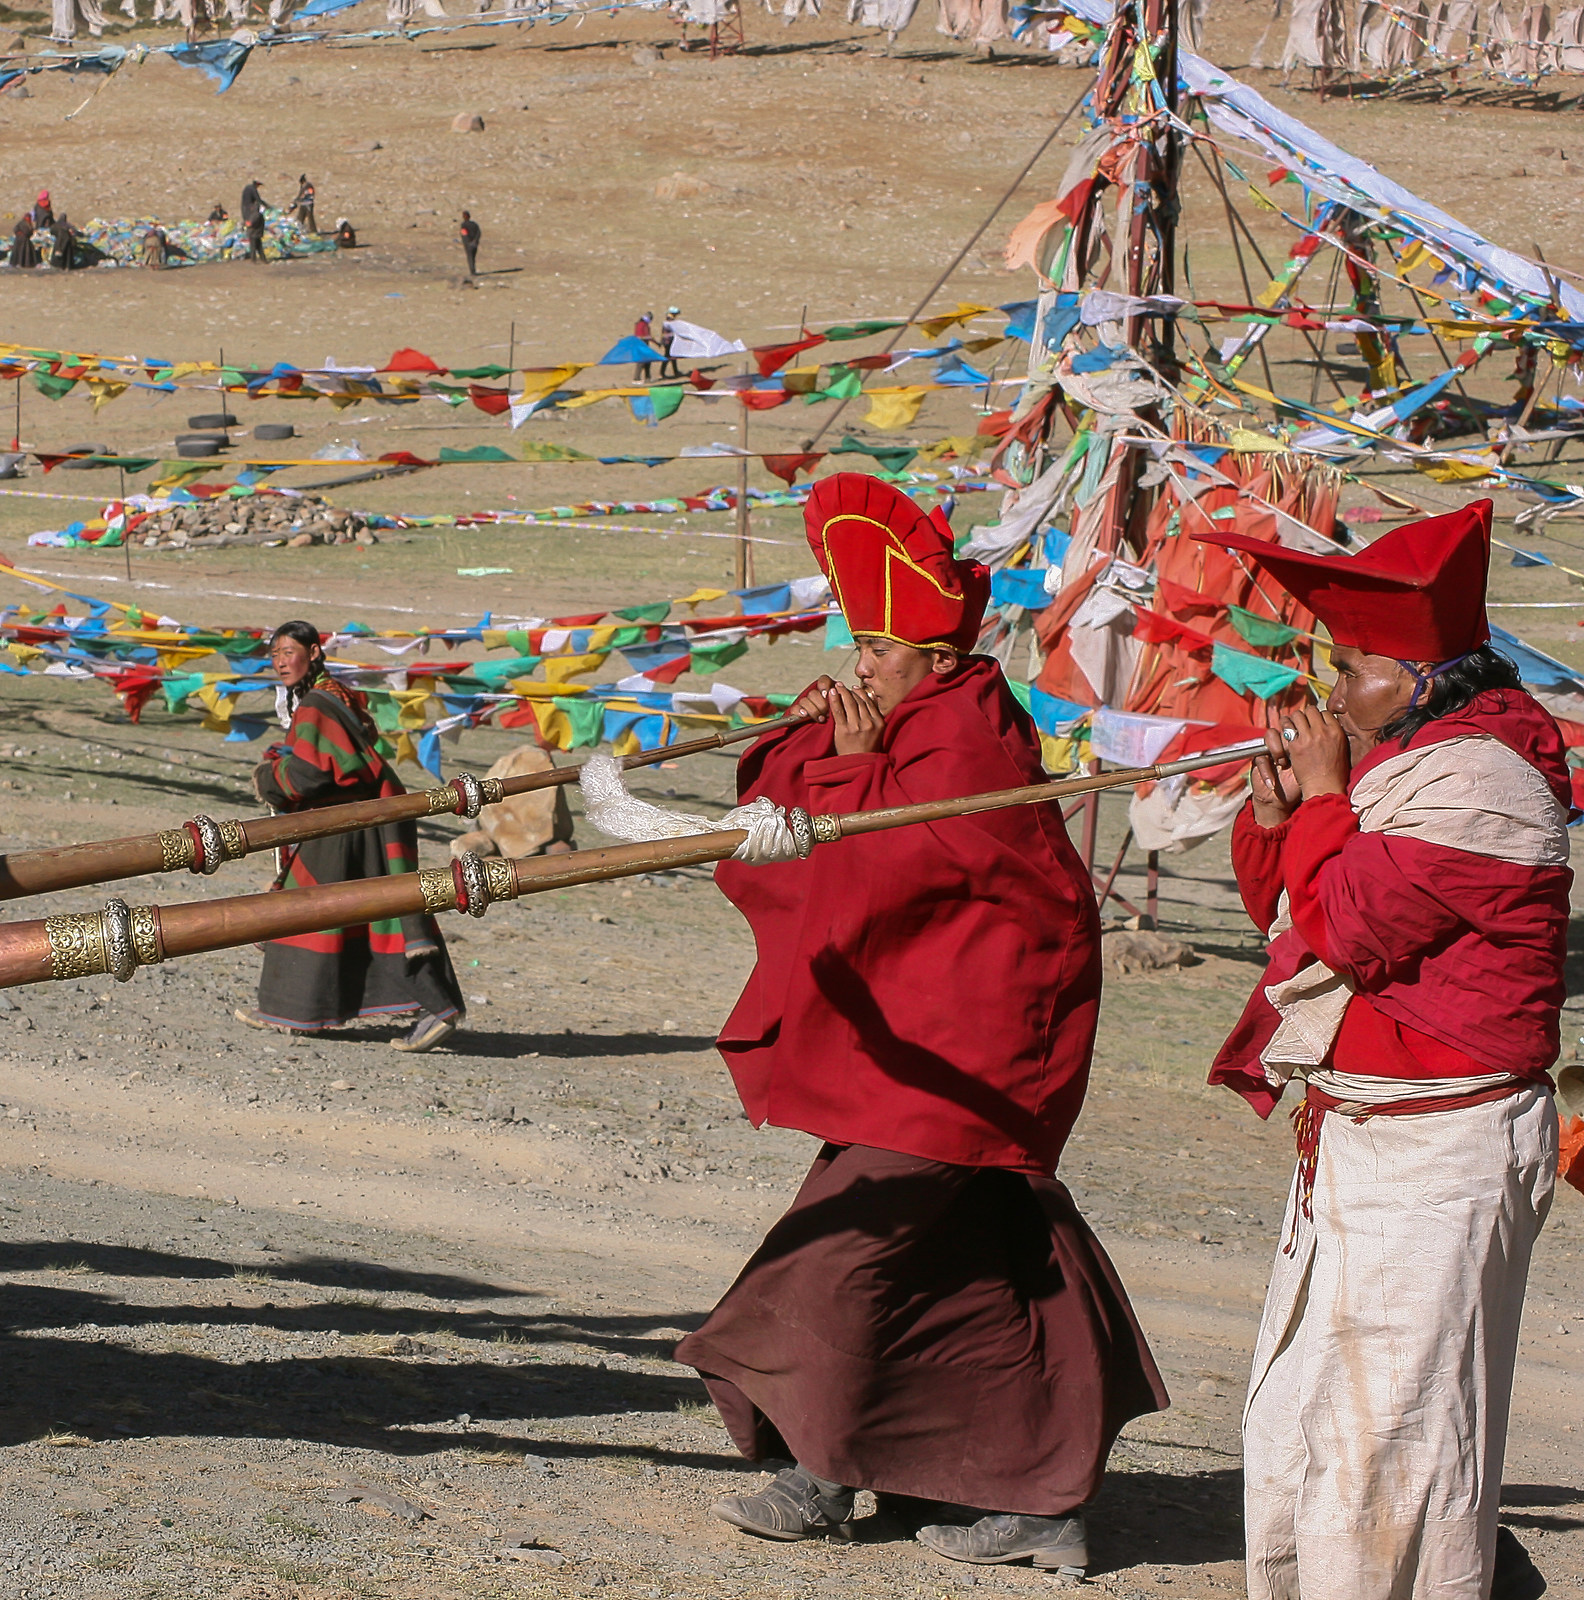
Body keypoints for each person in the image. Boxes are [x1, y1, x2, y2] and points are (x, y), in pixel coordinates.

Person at [669, 474, 1166, 1572]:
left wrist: (844, 769)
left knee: (842, 1252)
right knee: (976, 1270)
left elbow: (892, 857)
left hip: (972, 1050)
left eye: (883, 648)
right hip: (930, 1043)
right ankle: (1032, 1501)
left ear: (941, 658)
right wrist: (815, 747)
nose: (865, 663)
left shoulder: (969, 745)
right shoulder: (918, 718)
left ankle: (820, 1470)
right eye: (861, 642)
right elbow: (797, 825)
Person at [1198, 502, 1568, 1600]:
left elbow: (1353, 922)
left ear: (1414, 678)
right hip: (1360, 1137)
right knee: (1312, 1414)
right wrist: (1279, 815)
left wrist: (1320, 796)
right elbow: (1301, 912)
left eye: (1351, 665)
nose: (1330, 688)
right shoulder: (1399, 761)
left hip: (1440, 1151)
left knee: (1397, 1435)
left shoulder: (1484, 780)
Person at [236, 621, 465, 1051]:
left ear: (314, 652)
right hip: (357, 820)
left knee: (316, 911)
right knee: (351, 914)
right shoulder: (335, 696)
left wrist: (269, 776)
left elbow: (310, 773)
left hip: (345, 826)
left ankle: (439, 1010)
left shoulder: (318, 705)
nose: (281, 662)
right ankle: (292, 1011)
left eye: (289, 652)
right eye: (274, 655)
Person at [241, 179, 268, 262]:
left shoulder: (247, 188)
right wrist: (267, 206)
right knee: (255, 244)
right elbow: (258, 199)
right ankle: (257, 259)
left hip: (247, 213)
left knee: (256, 244)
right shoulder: (253, 190)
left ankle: (259, 259)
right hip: (255, 229)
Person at [658, 306, 682, 378]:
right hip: (668, 341)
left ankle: (675, 371)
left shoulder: (668, 320)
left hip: (667, 341)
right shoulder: (670, 321)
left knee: (671, 356)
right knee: (669, 356)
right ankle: (663, 372)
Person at [457, 209, 480, 276]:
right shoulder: (475, 224)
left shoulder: (463, 225)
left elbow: (464, 235)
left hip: (468, 244)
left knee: (470, 257)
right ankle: (473, 270)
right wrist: (475, 240)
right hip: (475, 244)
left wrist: (467, 242)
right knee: (473, 257)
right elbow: (478, 233)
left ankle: (472, 271)